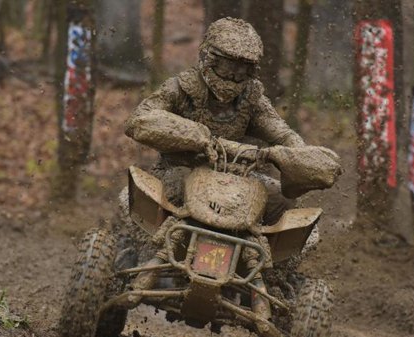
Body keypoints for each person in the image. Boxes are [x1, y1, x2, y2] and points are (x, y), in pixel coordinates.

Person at [125, 17, 309, 225]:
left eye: (243, 70)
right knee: (174, 189)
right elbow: (139, 120)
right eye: (227, 66)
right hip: (178, 169)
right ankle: (156, 247)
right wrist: (196, 136)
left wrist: (298, 155)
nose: (234, 76)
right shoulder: (180, 88)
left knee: (281, 200)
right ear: (209, 58)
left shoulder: (252, 98)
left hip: (237, 178)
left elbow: (282, 133)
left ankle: (266, 254)